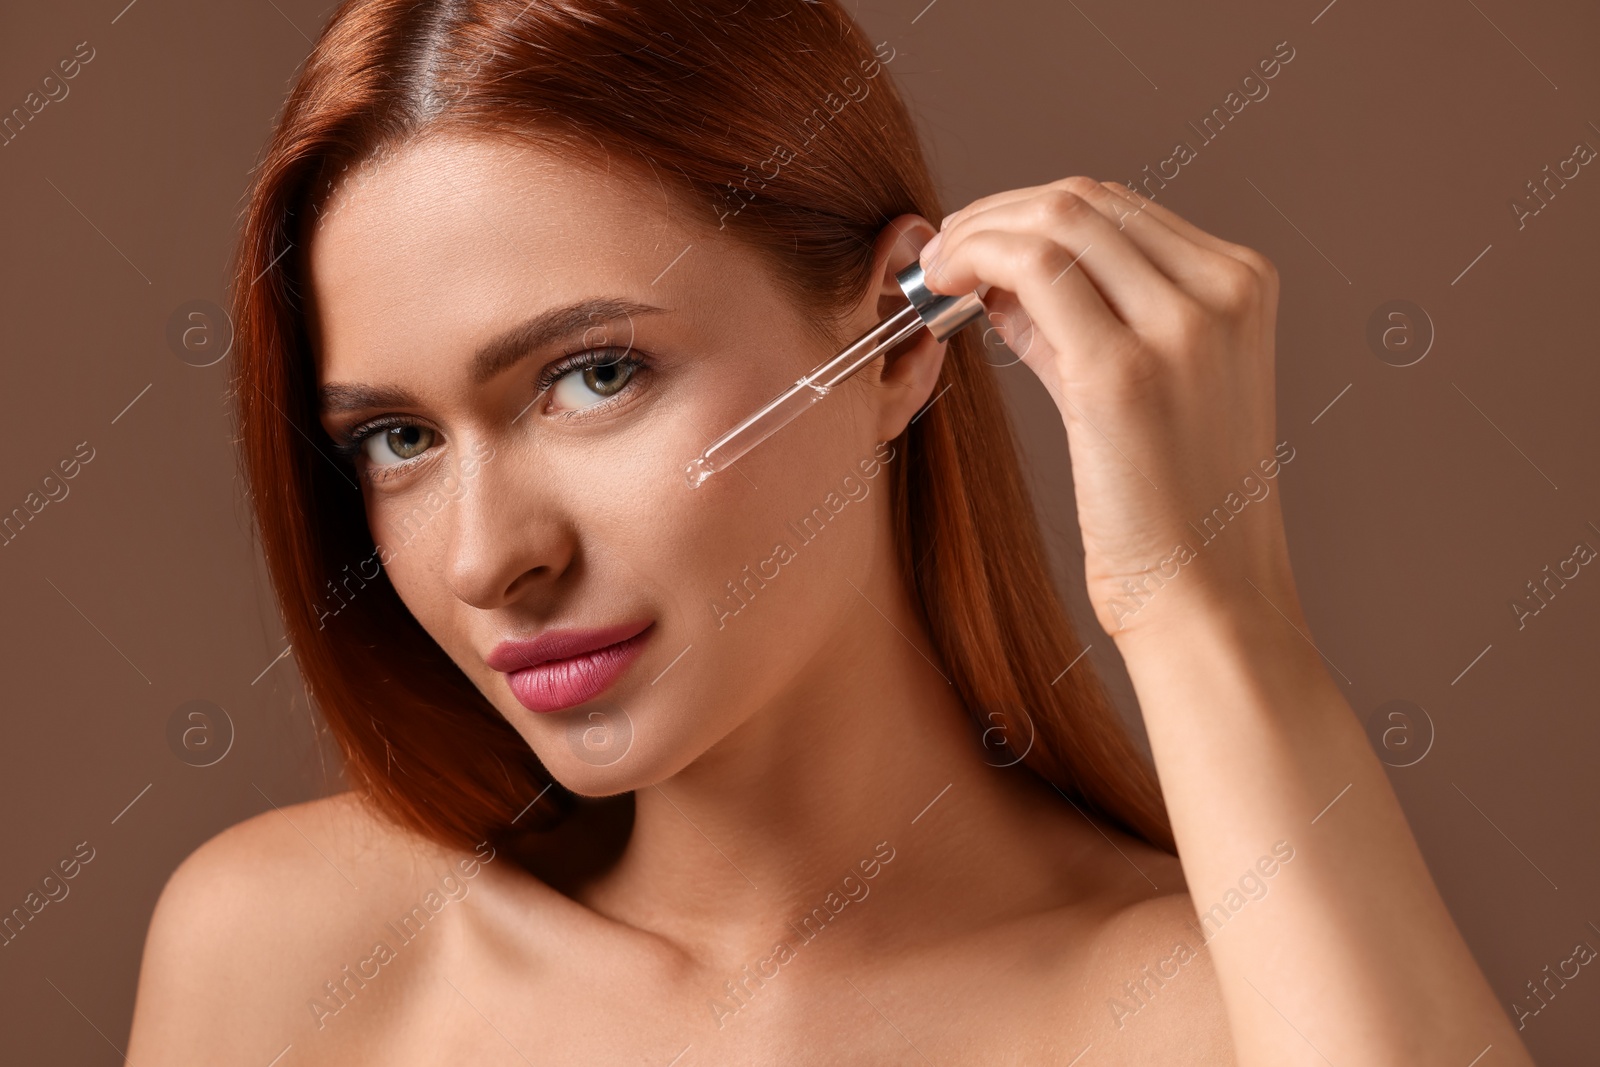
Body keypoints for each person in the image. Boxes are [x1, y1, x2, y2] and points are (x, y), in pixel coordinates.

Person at [127, 1, 1533, 1063]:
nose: (489, 556)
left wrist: (1208, 608)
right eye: (401, 439)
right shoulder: (291, 959)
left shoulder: (1224, 1008)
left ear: (891, 348)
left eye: (595, 375)